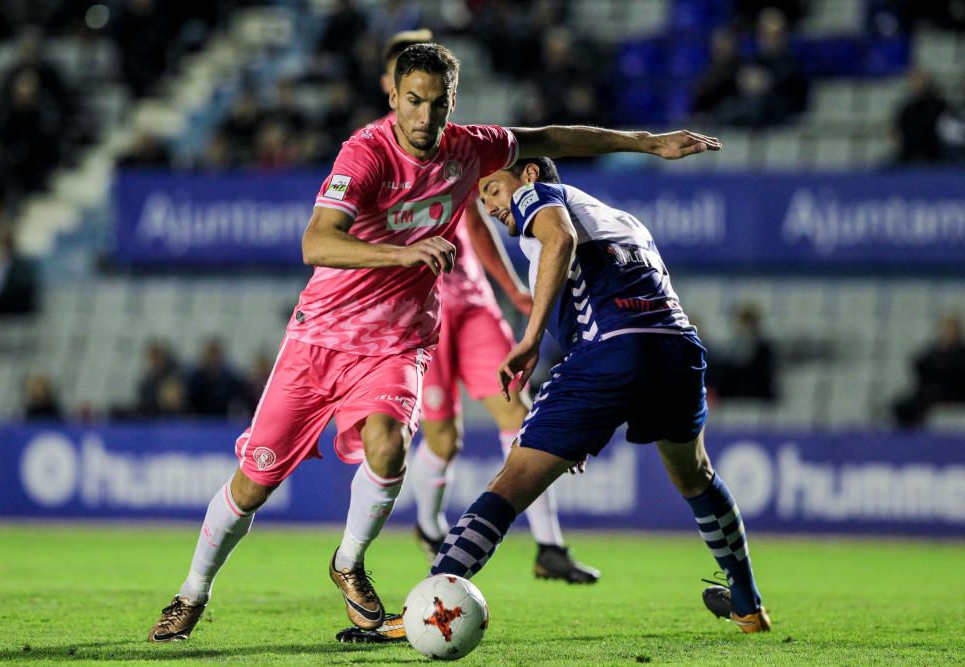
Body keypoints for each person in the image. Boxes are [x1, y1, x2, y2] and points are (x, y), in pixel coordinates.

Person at [147, 42, 721, 643]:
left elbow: (553, 136)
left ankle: (347, 563)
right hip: (319, 338)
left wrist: (648, 143)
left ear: (453, 103)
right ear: (392, 96)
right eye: (412, 101)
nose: (424, 117)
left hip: (398, 341)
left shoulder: (472, 147)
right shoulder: (364, 153)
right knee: (252, 485)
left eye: (437, 104)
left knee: (390, 446)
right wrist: (404, 253)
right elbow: (315, 243)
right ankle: (193, 591)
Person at [426, 156, 771, 634]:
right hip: (677, 350)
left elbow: (559, 239)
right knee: (696, 475)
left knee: (512, 481)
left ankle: (428, 605)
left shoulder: (541, 196)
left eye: (494, 189)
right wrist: (584, 418)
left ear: (527, 175)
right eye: (481, 197)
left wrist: (531, 338)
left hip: (612, 351)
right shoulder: (625, 221)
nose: (488, 204)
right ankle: (747, 602)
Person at [375, 30, 600, 586]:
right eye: (409, 88)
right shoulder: (373, 154)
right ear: (391, 88)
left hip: (471, 303)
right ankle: (429, 523)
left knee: (516, 413)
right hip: (418, 313)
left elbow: (475, 223)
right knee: (443, 441)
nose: (425, 104)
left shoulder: (458, 149)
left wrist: (509, 288)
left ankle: (549, 545)